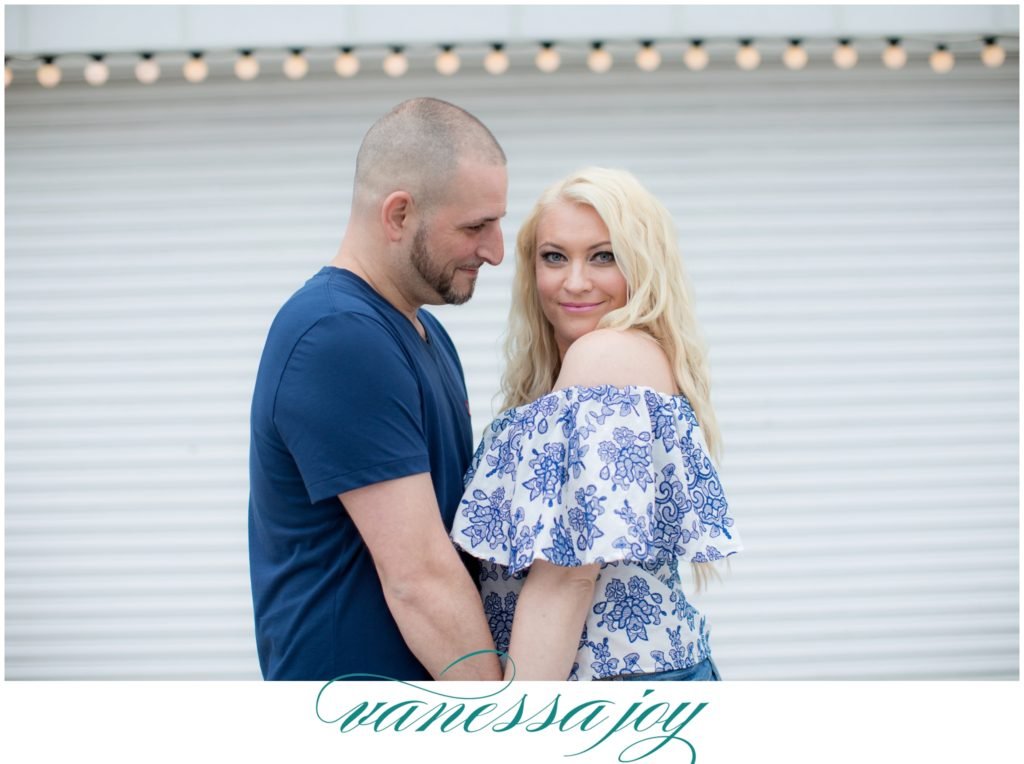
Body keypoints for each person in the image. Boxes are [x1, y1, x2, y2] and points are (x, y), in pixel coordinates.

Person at [249, 98, 507, 681]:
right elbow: (419, 578)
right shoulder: (338, 334)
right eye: (476, 227)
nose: (495, 251)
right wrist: (504, 720)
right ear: (398, 214)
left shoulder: (421, 332)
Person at [451, 167, 742, 681]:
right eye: (554, 257)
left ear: (642, 266)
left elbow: (567, 580)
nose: (575, 281)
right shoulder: (580, 371)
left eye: (603, 256)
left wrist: (513, 719)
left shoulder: (606, 356)